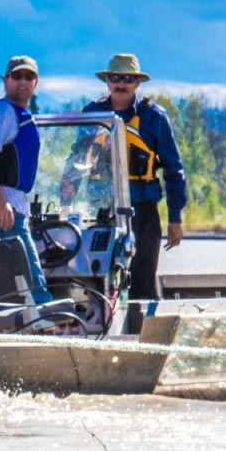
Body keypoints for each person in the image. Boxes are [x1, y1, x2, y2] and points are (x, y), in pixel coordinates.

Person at [81, 53, 187, 301]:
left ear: (137, 83)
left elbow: (174, 170)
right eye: (116, 78)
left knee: (143, 280)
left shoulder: (154, 117)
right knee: (95, 280)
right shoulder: (92, 113)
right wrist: (66, 196)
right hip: (100, 211)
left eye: (128, 78)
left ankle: (141, 333)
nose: (121, 84)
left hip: (143, 210)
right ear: (107, 81)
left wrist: (175, 220)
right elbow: (76, 160)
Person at [0, 55, 52, 304]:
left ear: (36, 82)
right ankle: (44, 333)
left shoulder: (19, 115)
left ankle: (10, 334)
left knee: (4, 289)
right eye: (16, 76)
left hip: (3, 207)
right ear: (5, 80)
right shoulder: (1, 110)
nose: (22, 82)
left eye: (28, 77)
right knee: (31, 286)